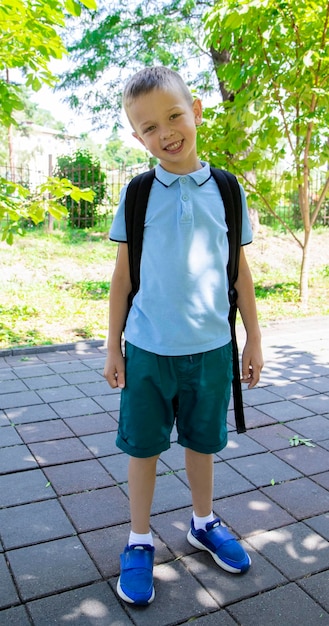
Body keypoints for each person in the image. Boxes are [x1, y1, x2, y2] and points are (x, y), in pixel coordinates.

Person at [103, 66, 263, 606]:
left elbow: (239, 274)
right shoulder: (139, 193)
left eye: (173, 116)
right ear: (136, 135)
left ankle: (202, 521)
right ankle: (140, 539)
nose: (165, 132)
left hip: (212, 348)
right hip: (149, 351)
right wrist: (113, 345)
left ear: (195, 112)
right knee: (143, 449)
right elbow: (123, 278)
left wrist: (254, 340)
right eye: (148, 127)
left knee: (202, 442)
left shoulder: (227, 189)